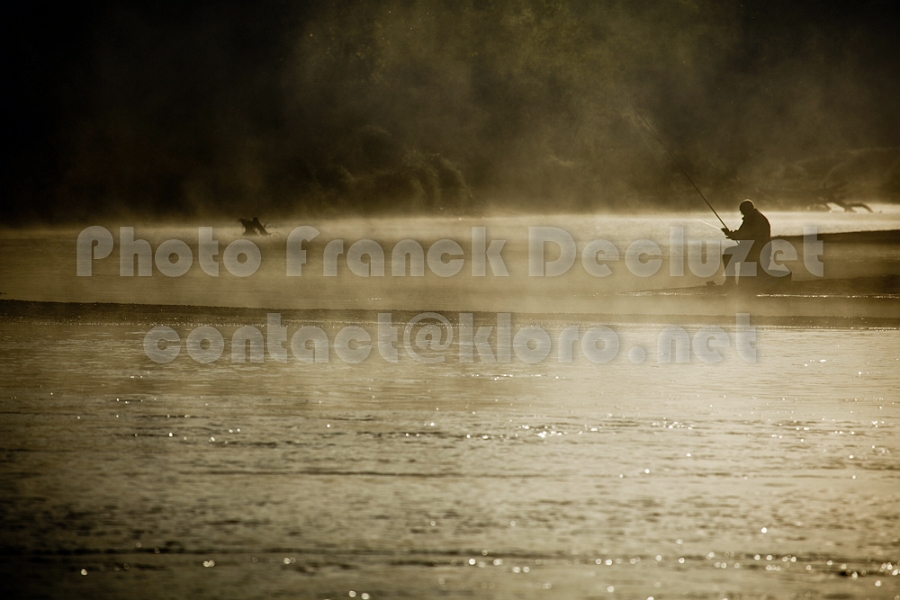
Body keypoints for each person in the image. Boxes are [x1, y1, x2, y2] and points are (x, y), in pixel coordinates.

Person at [721, 200, 771, 285]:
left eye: (742, 211)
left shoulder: (751, 219)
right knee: (745, 282)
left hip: (754, 250)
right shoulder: (757, 216)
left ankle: (730, 282)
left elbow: (744, 234)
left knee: (728, 254)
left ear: (746, 210)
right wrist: (732, 234)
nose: (742, 214)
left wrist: (730, 234)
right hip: (759, 249)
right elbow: (745, 234)